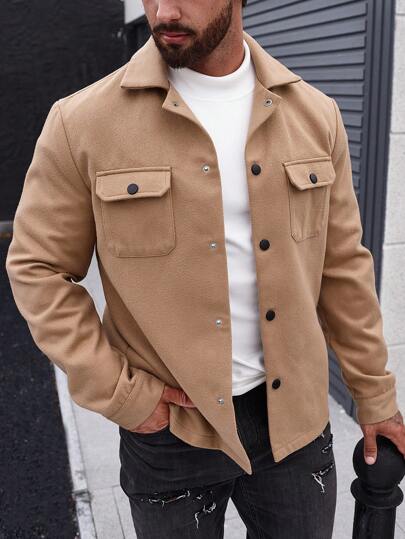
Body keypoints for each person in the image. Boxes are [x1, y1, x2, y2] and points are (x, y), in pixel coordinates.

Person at [6, 0, 405, 537]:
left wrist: (375, 396)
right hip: (170, 432)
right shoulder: (82, 123)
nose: (164, 10)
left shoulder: (315, 115)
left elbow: (343, 269)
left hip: (296, 425)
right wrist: (123, 395)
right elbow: (38, 267)